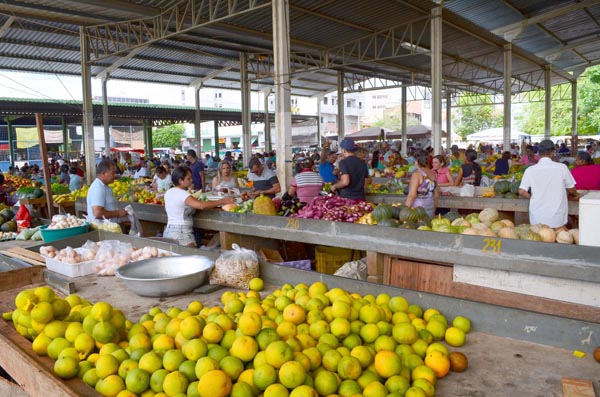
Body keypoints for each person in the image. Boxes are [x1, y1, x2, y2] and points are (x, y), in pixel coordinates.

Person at [164, 166, 233, 247]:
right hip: (181, 233)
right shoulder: (183, 194)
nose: (191, 180)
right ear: (180, 180)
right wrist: (222, 201)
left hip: (169, 231)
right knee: (190, 258)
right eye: (188, 178)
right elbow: (201, 206)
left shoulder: (169, 192)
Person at [519, 139, 578, 229]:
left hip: (537, 217)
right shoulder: (562, 168)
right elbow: (571, 189)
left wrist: (532, 198)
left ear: (538, 153)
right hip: (557, 218)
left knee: (540, 238)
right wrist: (576, 194)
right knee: (558, 238)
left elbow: (522, 191)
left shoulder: (530, 170)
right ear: (553, 152)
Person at [406, 150, 439, 218]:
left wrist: (405, 210)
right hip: (430, 208)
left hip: (417, 211)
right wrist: (433, 210)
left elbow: (412, 196)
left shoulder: (417, 174)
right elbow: (436, 195)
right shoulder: (432, 174)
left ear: (417, 161)